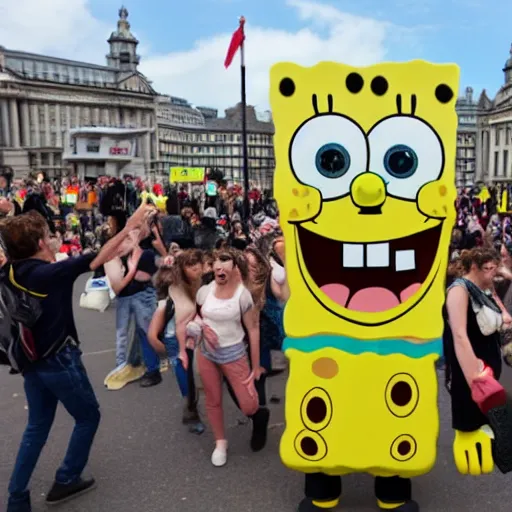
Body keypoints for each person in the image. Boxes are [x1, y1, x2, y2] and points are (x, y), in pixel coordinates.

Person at [2, 202, 155, 512]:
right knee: (88, 416)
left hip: (31, 361)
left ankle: (17, 498)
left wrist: (127, 236)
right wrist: (129, 226)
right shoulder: (47, 273)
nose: (55, 237)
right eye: (49, 233)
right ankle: (67, 478)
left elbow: (104, 253)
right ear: (42, 242)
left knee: (37, 426)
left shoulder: (11, 271)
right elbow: (98, 258)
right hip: (59, 358)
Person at [193, 249, 266, 467]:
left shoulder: (243, 295)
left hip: (233, 353)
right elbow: (197, 315)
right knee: (213, 399)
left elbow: (253, 329)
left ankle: (260, 416)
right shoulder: (204, 291)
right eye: (215, 261)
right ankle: (220, 443)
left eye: (224, 260)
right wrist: (202, 327)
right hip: (206, 352)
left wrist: (256, 366)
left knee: (248, 406)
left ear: (235, 266)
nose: (218, 266)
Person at [444, 247, 510, 474]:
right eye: (489, 269)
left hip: (488, 364)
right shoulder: (459, 290)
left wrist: (504, 273)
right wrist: (474, 376)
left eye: (495, 268)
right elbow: (459, 334)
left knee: (488, 416)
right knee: (471, 419)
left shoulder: (485, 287)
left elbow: (506, 318)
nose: (494, 273)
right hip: (472, 368)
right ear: (474, 268)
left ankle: (486, 449)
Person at [148, 249, 205, 431]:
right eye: (189, 265)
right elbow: (152, 335)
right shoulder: (167, 301)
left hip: (193, 339)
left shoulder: (195, 288)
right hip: (176, 342)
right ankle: (191, 412)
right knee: (187, 381)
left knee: (196, 378)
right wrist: (169, 354)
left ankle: (193, 408)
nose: (196, 268)